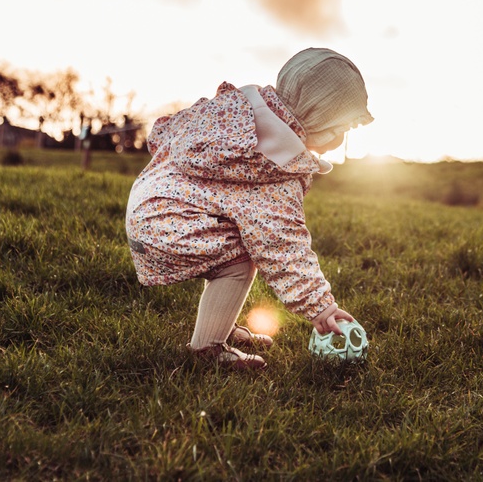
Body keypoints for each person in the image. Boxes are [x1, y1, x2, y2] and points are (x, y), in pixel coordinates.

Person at [126, 48, 373, 370]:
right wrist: (320, 306)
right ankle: (208, 349)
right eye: (343, 128)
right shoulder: (272, 165)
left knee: (230, 246)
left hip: (150, 207)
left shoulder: (239, 115)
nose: (341, 138)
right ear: (319, 120)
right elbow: (282, 246)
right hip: (171, 223)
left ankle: (220, 324)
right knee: (239, 260)